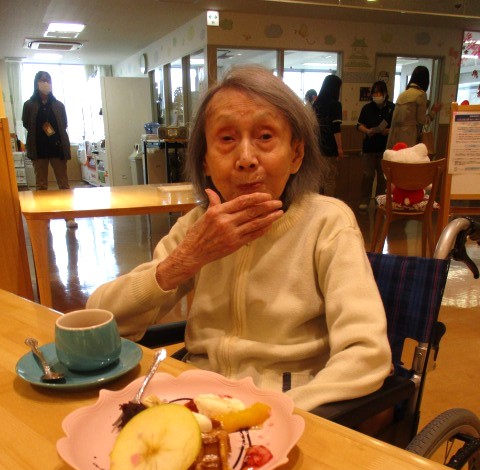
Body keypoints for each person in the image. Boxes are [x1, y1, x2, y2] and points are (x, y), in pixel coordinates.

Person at [87, 65, 391, 412]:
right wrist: (182, 261)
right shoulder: (198, 226)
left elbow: (366, 353)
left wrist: (279, 413)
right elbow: (98, 317)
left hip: (287, 407)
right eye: (227, 139)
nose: (246, 159)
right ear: (205, 160)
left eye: (265, 136)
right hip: (199, 403)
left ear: (296, 154)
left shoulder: (327, 223)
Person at [22, 70, 77, 228]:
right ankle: (43, 219)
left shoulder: (58, 105)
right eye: (42, 80)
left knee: (64, 185)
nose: (45, 83)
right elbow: (26, 124)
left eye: (48, 80)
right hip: (38, 150)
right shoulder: (29, 105)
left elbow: (64, 124)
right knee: (41, 186)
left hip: (57, 149)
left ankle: (69, 217)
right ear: (36, 83)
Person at [356, 80, 395, 210]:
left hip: (386, 148)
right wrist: (368, 131)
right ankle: (364, 201)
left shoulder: (392, 108)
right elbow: (358, 125)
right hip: (369, 147)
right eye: (375, 93)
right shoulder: (367, 108)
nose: (377, 95)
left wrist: (387, 131)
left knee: (383, 177)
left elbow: (397, 127)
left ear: (385, 93)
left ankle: (380, 201)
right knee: (367, 175)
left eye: (379, 93)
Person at [386, 65, 441, 150]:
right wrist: (433, 111)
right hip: (409, 137)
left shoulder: (402, 95)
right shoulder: (421, 95)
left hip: (395, 138)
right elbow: (421, 121)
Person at [313, 74, 344, 196]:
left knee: (317, 180)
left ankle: (316, 204)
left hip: (316, 148)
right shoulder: (335, 104)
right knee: (329, 180)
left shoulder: (316, 104)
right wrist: (339, 148)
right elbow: (336, 128)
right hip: (329, 148)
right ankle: (328, 205)